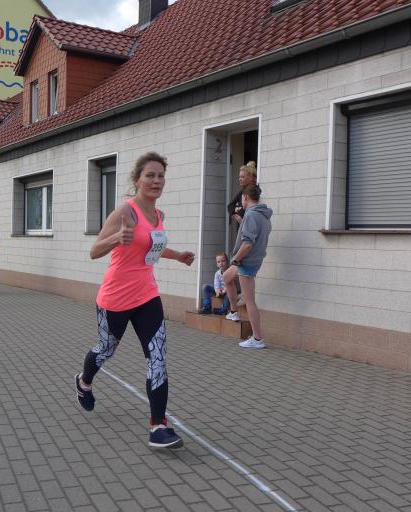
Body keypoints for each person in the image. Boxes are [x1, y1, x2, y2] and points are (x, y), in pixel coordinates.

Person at [74, 152, 195, 450]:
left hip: (147, 296)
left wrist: (177, 256)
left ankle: (158, 426)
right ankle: (84, 381)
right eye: (150, 175)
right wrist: (116, 238)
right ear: (137, 179)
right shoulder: (124, 213)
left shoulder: (159, 215)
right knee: (106, 349)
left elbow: (151, 246)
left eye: (160, 176)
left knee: (158, 357)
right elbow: (94, 251)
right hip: (115, 299)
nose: (156, 181)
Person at [224, 183, 272, 349]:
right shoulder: (262, 216)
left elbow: (247, 244)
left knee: (250, 301)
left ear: (245, 197)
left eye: (241, 199)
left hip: (246, 261)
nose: (240, 203)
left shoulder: (251, 215)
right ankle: (233, 312)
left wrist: (236, 260)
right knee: (226, 277)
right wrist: (242, 221)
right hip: (252, 260)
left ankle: (257, 338)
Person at [227, 161, 257, 227]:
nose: (240, 179)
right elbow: (230, 205)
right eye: (239, 177)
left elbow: (253, 209)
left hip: (250, 227)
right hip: (241, 227)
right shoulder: (242, 192)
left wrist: (240, 209)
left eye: (242, 177)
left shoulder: (256, 191)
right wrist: (235, 212)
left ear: (251, 178)